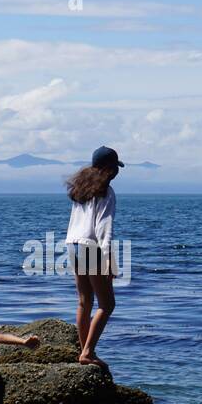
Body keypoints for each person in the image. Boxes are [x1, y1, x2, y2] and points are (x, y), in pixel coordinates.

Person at [65, 145, 123, 373]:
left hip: (73, 244)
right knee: (107, 304)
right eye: (115, 168)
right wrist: (109, 261)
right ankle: (88, 352)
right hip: (91, 247)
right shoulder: (106, 192)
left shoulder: (81, 189)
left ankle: (84, 350)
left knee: (83, 302)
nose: (117, 172)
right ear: (108, 169)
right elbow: (104, 228)